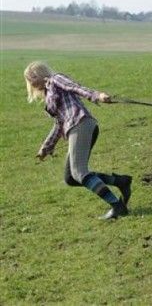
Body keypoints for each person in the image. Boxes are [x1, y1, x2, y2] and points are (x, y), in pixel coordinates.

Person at [24, 61, 132, 219]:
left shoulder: (56, 79)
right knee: (71, 178)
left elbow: (77, 87)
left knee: (79, 172)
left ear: (38, 75)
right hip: (75, 128)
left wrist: (98, 95)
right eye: (29, 80)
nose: (31, 83)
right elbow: (59, 124)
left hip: (81, 124)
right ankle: (120, 181)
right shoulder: (48, 96)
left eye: (31, 78)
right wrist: (46, 147)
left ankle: (118, 206)